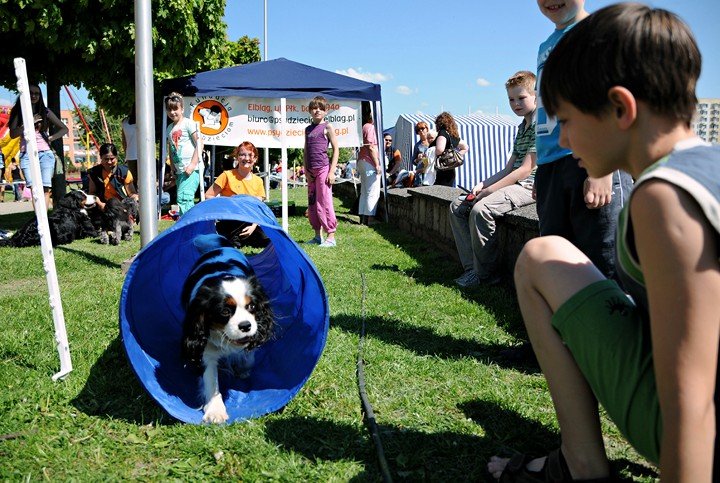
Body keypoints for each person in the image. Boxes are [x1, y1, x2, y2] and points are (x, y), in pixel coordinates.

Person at [487, 4, 720, 482]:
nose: (566, 141)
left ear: (620, 108)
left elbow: (691, 404)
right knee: (542, 252)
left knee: (537, 259)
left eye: (567, 120)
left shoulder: (663, 200)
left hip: (704, 439)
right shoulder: (705, 168)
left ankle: (582, 466)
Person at [532, 0, 632, 281]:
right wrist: (543, 172)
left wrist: (602, 169)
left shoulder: (598, 30)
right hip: (552, 165)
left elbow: (611, 98)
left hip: (591, 161)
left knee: (605, 262)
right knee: (559, 262)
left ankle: (613, 325)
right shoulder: (545, 46)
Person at [450, 71, 537, 287]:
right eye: (511, 99)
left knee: (482, 210)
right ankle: (472, 269)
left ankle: (487, 275)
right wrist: (482, 185)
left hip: (529, 186)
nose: (515, 104)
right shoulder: (522, 127)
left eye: (521, 98)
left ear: (536, 95)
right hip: (515, 182)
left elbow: (525, 170)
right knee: (457, 206)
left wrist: (490, 191)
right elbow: (509, 167)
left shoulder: (540, 125)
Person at [8, 84, 68, 209]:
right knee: (34, 190)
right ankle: (38, 221)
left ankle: (43, 223)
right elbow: (13, 134)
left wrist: (51, 138)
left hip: (45, 153)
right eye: (31, 93)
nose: (34, 96)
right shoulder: (19, 112)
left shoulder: (45, 111)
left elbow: (64, 128)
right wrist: (29, 123)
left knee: (45, 188)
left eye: (37, 93)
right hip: (27, 154)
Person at [205, 141, 268, 248]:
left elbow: (258, 207)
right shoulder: (227, 175)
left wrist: (253, 226)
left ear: (255, 159)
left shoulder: (258, 181)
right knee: (234, 244)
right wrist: (226, 204)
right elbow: (208, 195)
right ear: (237, 157)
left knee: (264, 240)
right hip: (230, 219)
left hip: (250, 220)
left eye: (250, 155)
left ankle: (248, 237)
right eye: (242, 154)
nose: (246, 158)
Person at [303, 96, 339, 247]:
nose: (317, 110)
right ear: (310, 111)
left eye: (321, 108)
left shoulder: (327, 127)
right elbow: (305, 150)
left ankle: (331, 236)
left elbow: (336, 149)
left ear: (325, 111)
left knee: (323, 202)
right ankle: (318, 235)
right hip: (311, 171)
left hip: (323, 169)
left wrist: (332, 172)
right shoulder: (308, 129)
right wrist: (306, 170)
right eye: (314, 108)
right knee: (312, 203)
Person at [165, 92, 200, 216]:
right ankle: (186, 223)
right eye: (169, 109)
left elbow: (200, 144)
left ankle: (189, 224)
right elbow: (171, 147)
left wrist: (192, 164)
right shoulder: (169, 128)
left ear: (182, 109)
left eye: (175, 109)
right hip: (179, 170)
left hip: (191, 169)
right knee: (181, 198)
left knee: (184, 198)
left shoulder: (188, 123)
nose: (172, 112)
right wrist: (172, 167)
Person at [87, 142, 138, 212]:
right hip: (101, 206)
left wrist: (135, 200)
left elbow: (131, 193)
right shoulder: (93, 172)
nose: (109, 162)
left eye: (112, 158)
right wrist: (100, 204)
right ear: (101, 157)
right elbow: (92, 193)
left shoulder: (124, 172)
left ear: (116, 157)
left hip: (121, 207)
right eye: (106, 159)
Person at [357, 103, 381, 225]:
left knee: (364, 191)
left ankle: (362, 217)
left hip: (361, 160)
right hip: (369, 162)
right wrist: (377, 164)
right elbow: (371, 146)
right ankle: (370, 218)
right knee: (373, 191)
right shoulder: (370, 127)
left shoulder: (362, 127)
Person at [430, 112, 464, 187]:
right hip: (450, 169)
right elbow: (465, 147)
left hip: (441, 169)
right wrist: (455, 155)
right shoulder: (453, 135)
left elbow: (439, 150)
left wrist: (430, 152)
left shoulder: (442, 133)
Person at [121, 103, 138, 184]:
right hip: (143, 155)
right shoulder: (144, 121)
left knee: (133, 181)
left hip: (130, 155)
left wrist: (126, 153)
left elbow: (124, 142)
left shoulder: (124, 122)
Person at [412, 122, 430, 186]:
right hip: (420, 175)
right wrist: (417, 159)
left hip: (431, 172)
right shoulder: (417, 145)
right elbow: (413, 161)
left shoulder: (433, 142)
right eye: (418, 130)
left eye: (422, 128)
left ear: (427, 129)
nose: (421, 131)